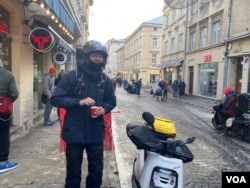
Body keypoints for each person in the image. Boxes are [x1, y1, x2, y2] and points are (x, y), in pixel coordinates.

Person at [50, 40, 116, 188]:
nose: (98, 59)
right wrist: (78, 102)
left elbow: (111, 100)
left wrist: (104, 109)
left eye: (101, 56)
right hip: (74, 131)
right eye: (95, 55)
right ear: (87, 57)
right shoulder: (73, 76)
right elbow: (55, 99)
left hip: (95, 132)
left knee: (96, 172)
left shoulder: (105, 80)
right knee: (73, 173)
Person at [0, 55, 19, 173]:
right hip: (2, 112)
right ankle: (2, 163)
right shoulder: (8, 75)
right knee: (3, 136)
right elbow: (14, 93)